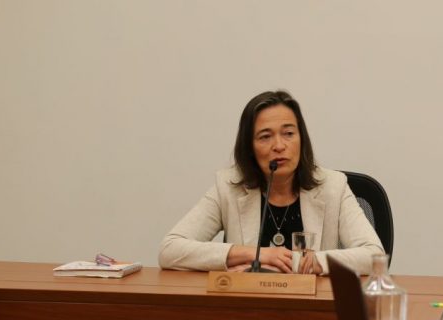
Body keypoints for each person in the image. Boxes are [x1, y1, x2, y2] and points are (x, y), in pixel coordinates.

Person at [158, 90, 384, 274]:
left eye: (288, 133)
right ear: (250, 147)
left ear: (301, 139)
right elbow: (170, 250)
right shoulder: (229, 187)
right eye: (265, 136)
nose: (279, 146)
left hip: (312, 307)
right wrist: (254, 255)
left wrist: (311, 262)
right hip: (251, 306)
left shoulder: (333, 187)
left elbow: (374, 256)